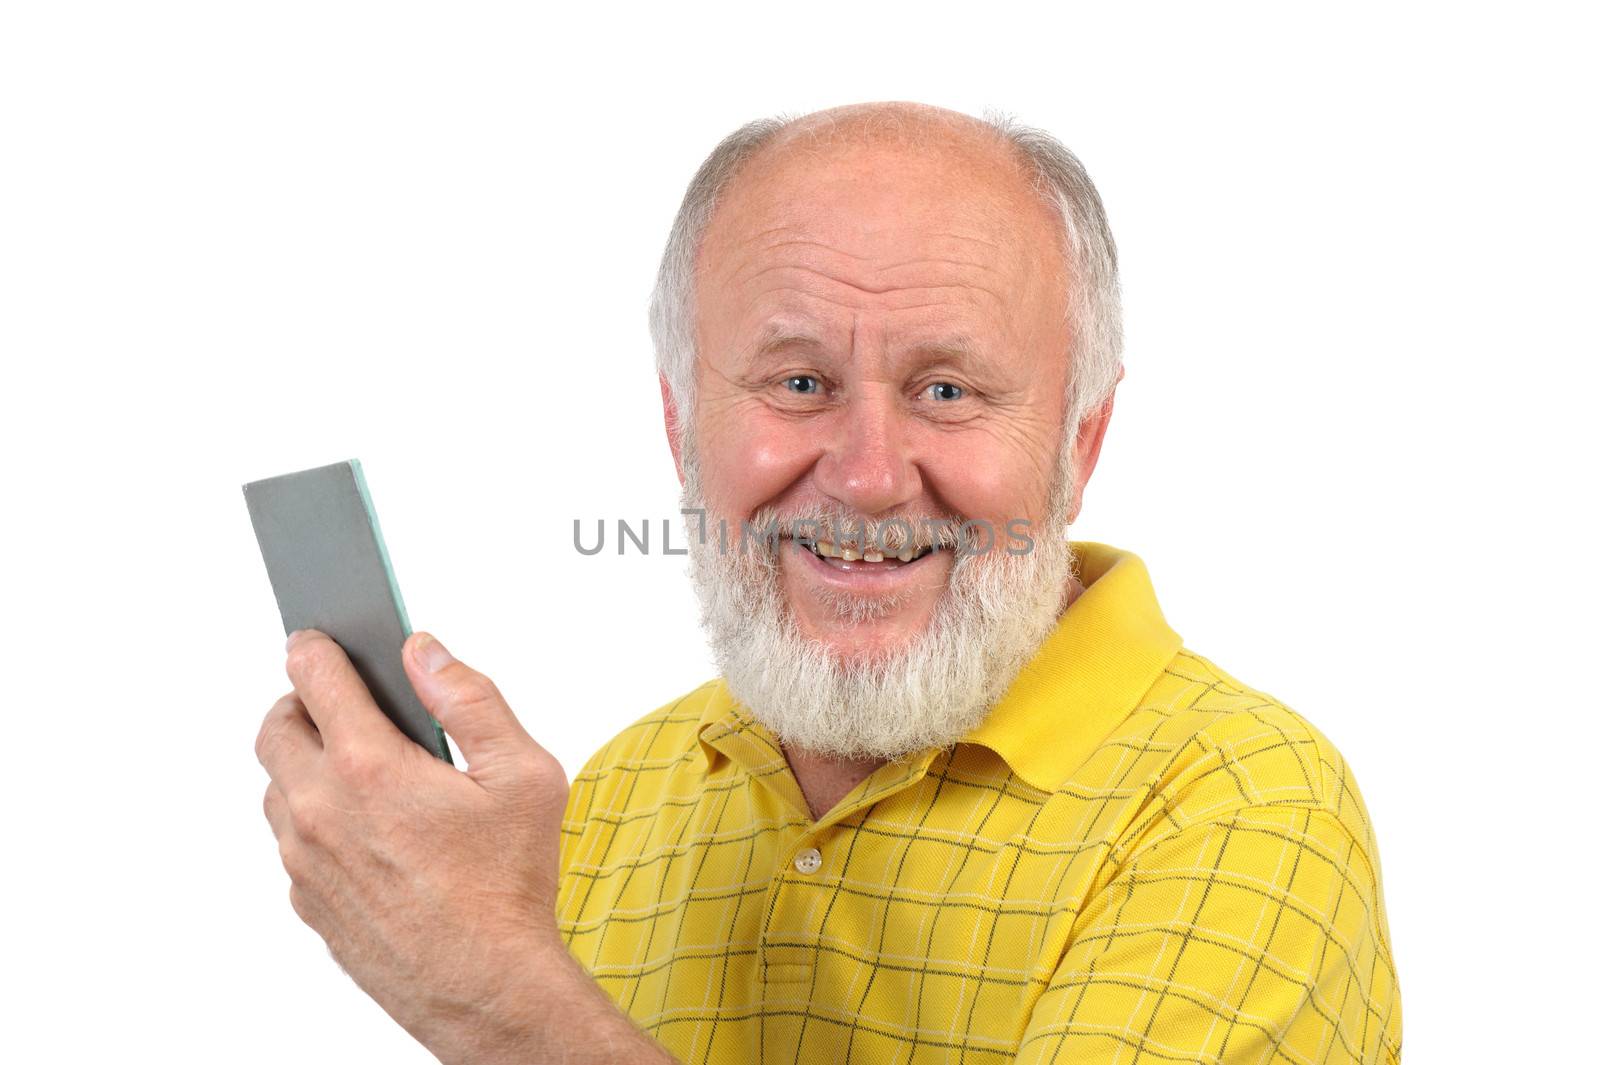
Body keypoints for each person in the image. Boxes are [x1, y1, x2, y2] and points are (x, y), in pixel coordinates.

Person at [256, 101, 1402, 1064]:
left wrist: (497, 992)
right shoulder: (619, 795)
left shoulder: (1242, 810)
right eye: (797, 381)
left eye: (947, 391)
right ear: (678, 426)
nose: (864, 476)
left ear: (1077, 447)